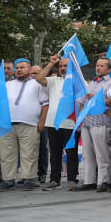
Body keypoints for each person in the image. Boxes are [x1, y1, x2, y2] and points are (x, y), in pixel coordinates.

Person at [0, 59, 47, 191]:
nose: (18, 70)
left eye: (22, 67)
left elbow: (45, 104)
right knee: (6, 154)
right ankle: (8, 180)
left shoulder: (37, 84)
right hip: (7, 125)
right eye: (17, 68)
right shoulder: (7, 85)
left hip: (29, 123)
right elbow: (0, 104)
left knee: (29, 153)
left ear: (29, 70)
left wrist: (42, 122)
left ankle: (29, 179)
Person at [36, 54, 77, 190]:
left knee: (71, 152)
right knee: (55, 153)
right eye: (60, 66)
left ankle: (72, 179)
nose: (63, 68)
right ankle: (54, 179)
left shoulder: (78, 82)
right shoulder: (54, 81)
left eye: (66, 66)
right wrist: (50, 63)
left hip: (70, 123)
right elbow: (39, 78)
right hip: (52, 123)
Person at [76, 57, 111, 193]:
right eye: (97, 65)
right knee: (87, 154)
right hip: (87, 122)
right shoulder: (91, 83)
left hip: (101, 121)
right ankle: (89, 180)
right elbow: (82, 102)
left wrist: (96, 98)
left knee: (102, 154)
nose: (98, 68)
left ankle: (104, 181)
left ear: (109, 69)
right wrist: (80, 119)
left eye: (102, 66)